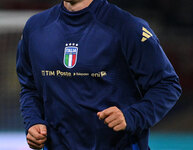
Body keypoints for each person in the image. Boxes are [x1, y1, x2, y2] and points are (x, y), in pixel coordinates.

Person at [16, 0, 182, 149]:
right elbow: (30, 87)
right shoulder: (35, 28)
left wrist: (132, 116)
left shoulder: (128, 27)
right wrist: (33, 121)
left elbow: (167, 85)